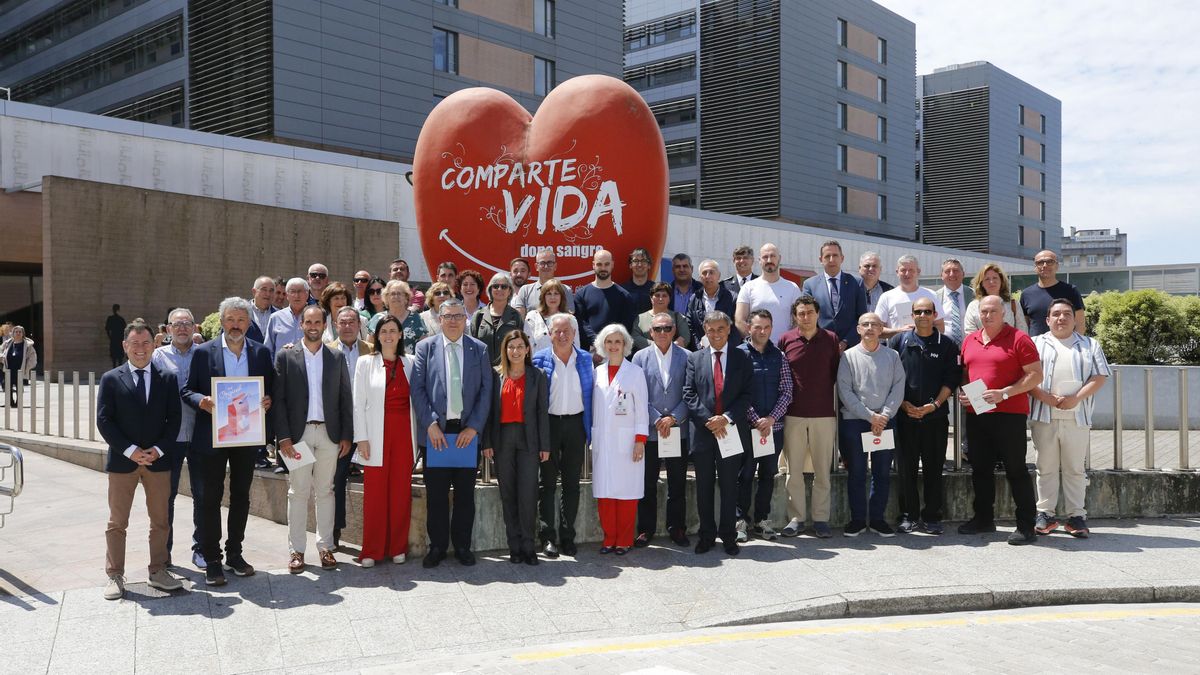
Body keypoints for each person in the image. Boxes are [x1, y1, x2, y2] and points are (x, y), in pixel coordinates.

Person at [182, 298, 274, 585]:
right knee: (210, 499)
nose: (236, 325)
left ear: (249, 323)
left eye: (241, 320)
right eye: (231, 319)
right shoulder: (203, 353)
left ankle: (235, 553)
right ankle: (212, 559)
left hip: (246, 437)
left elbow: (269, 388)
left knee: (241, 497)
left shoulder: (260, 353)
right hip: (212, 436)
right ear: (221, 322)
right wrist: (203, 401)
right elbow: (187, 390)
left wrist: (267, 400)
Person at [97, 319, 184, 600]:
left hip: (158, 462)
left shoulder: (168, 378)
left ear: (154, 344)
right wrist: (130, 450)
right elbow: (104, 421)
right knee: (117, 522)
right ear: (125, 346)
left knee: (160, 520)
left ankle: (158, 571)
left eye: (146, 342)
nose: (140, 348)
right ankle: (114, 575)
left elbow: (175, 421)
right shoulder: (111, 379)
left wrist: (157, 450)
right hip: (123, 463)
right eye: (134, 343)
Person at [272, 305, 354, 572]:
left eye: (318, 321)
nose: (313, 325)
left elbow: (345, 398)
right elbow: (280, 401)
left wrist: (346, 435)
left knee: (326, 491)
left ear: (324, 324)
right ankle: (296, 551)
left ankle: (325, 547)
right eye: (308, 321)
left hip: (329, 436)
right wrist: (283, 437)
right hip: (298, 435)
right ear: (302, 325)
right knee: (297, 492)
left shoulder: (336, 356)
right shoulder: (286, 357)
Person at [411, 299, 492, 567]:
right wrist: (430, 424)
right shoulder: (425, 348)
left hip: (467, 434)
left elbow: (485, 392)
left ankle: (462, 547)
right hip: (436, 434)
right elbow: (418, 390)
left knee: (465, 496)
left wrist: (474, 426)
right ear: (440, 319)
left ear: (465, 319)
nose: (454, 320)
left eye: (459, 315)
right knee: (436, 496)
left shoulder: (478, 349)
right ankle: (437, 547)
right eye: (448, 316)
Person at [956, 295, 1043, 545]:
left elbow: (1035, 376)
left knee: (1016, 470)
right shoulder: (970, 340)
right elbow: (966, 374)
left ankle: (1026, 526)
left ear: (1003, 312)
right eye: (984, 311)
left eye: (993, 311)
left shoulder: (1019, 338)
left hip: (1010, 415)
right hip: (977, 414)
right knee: (980, 470)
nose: (988, 315)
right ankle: (983, 518)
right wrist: (967, 394)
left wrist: (1003, 393)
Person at [1029, 299, 1110, 538]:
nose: (1061, 318)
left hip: (1077, 416)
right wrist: (1045, 396)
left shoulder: (1089, 345)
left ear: (1075, 320)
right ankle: (1045, 514)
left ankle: (1076, 517)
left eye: (1066, 314)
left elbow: (1099, 376)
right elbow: (1027, 376)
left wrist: (1076, 398)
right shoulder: (1035, 343)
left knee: (1075, 468)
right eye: (1056, 314)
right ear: (1047, 320)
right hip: (1044, 414)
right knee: (1046, 467)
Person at [888, 297, 960, 535]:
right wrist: (903, 404)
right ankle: (908, 515)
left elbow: (951, 380)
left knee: (933, 469)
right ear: (912, 315)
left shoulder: (947, 344)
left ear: (934, 314)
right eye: (918, 312)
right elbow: (890, 378)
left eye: (927, 311)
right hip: (904, 416)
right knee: (905, 469)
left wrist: (934, 405)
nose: (922, 315)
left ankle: (931, 517)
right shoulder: (899, 341)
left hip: (935, 418)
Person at [684, 311, 752, 556]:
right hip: (703, 434)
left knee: (729, 486)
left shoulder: (742, 358)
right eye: (710, 330)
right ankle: (706, 535)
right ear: (705, 330)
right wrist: (708, 419)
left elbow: (747, 394)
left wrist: (725, 418)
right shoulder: (695, 358)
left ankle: (728, 536)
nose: (715, 334)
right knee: (703, 487)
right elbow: (689, 393)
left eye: (720, 329)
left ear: (729, 329)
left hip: (731, 431)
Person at [352, 314, 416, 567]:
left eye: (393, 330)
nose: (389, 335)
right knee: (376, 494)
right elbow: (358, 404)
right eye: (384, 331)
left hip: (404, 433)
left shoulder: (410, 362)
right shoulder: (365, 363)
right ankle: (372, 550)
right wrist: (362, 439)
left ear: (400, 335)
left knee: (400, 492)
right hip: (375, 434)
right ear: (377, 336)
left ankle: (397, 547)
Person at [482, 330, 550, 564]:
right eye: (511, 347)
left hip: (528, 439)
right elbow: (489, 411)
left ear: (528, 349)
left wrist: (545, 444)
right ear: (505, 350)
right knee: (508, 494)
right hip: (502, 440)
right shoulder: (495, 375)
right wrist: (487, 442)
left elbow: (542, 412)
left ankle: (529, 546)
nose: (516, 351)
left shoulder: (537, 375)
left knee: (528, 494)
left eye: (520, 346)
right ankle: (515, 546)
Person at [837, 312, 905, 537]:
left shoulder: (893, 356)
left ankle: (877, 519)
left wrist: (883, 416)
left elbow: (898, 388)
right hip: (856, 422)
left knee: (882, 472)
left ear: (881, 328)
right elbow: (845, 391)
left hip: (884, 421)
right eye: (865, 324)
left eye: (874, 325)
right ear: (858, 329)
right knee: (856, 472)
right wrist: (870, 416)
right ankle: (857, 519)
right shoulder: (847, 357)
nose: (869, 328)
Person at [531, 313, 594, 559]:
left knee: (571, 484)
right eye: (557, 331)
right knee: (546, 484)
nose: (562, 335)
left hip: (576, 425)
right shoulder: (539, 359)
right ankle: (548, 538)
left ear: (574, 333)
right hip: (549, 426)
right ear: (549, 335)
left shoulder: (585, 360)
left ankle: (568, 536)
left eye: (567, 330)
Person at [778, 296, 840, 539]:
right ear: (795, 316)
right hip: (793, 414)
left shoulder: (831, 339)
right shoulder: (786, 339)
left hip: (824, 415)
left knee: (822, 471)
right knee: (794, 470)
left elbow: (836, 374)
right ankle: (796, 518)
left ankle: (821, 519)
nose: (805, 317)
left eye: (809, 312)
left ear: (817, 314)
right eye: (801, 313)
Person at [632, 312, 691, 547]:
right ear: (651, 332)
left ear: (674, 330)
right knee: (647, 483)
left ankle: (676, 527)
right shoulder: (639, 357)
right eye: (658, 329)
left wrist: (674, 417)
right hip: (650, 430)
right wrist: (657, 418)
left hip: (678, 430)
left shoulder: (687, 356)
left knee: (677, 484)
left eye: (667, 328)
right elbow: (637, 394)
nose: (663, 333)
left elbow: (691, 392)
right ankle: (645, 529)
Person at [150, 309, 203, 568]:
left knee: (202, 494)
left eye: (187, 324)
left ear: (195, 327)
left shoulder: (204, 354)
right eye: (177, 324)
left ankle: (201, 548)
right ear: (168, 329)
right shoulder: (157, 357)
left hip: (200, 433)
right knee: (166, 496)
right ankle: (164, 554)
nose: (182, 328)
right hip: (169, 437)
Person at [591, 324, 649, 554]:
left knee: (626, 492)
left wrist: (640, 439)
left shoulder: (635, 372)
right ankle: (609, 539)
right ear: (602, 345)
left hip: (628, 442)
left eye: (618, 342)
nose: (613, 346)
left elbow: (642, 408)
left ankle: (624, 540)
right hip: (603, 441)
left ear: (625, 345)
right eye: (609, 342)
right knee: (605, 492)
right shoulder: (597, 372)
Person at [735, 310, 792, 542]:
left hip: (773, 430)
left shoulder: (779, 355)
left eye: (766, 327)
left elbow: (787, 391)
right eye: (757, 327)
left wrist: (770, 419)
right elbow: (736, 392)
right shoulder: (738, 355)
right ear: (749, 328)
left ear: (771, 328)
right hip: (748, 429)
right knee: (744, 475)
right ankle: (740, 521)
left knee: (768, 475)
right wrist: (755, 419)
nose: (762, 331)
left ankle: (762, 521)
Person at [328, 306, 373, 550]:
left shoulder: (372, 351)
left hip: (368, 424)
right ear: (336, 325)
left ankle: (374, 534)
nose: (347, 326)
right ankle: (334, 532)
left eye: (351, 322)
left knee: (374, 479)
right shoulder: (326, 351)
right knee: (335, 479)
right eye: (342, 322)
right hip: (340, 427)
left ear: (359, 325)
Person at [802, 240, 867, 350]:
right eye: (827, 256)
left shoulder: (856, 283)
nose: (831, 260)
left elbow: (861, 318)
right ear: (821, 260)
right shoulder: (810, 285)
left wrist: (846, 342)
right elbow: (807, 317)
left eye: (835, 255)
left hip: (850, 348)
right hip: (819, 346)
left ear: (842, 258)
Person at [735, 243, 803, 343]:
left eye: (773, 256)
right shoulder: (748, 287)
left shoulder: (792, 288)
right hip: (756, 352)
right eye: (765, 257)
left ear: (779, 258)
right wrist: (754, 344)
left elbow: (798, 320)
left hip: (783, 351)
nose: (769, 260)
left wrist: (789, 343)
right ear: (759, 260)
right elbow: (740, 320)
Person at [574, 249, 637, 354]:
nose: (603, 268)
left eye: (606, 264)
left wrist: (609, 345)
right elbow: (581, 324)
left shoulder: (624, 296)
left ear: (612, 265)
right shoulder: (581, 294)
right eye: (599, 264)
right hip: (589, 353)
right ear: (593, 265)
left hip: (615, 352)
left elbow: (626, 326)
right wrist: (598, 343)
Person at [875, 255, 943, 339]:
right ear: (897, 272)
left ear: (918, 272)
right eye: (903, 270)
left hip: (927, 348)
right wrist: (899, 331)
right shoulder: (886, 297)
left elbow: (940, 326)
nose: (907, 274)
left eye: (911, 270)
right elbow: (877, 330)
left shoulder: (931, 295)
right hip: (897, 349)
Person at [1020, 250, 1086, 336]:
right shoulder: (1026, 294)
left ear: (1057, 266)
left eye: (1050, 262)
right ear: (1035, 267)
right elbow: (1023, 327)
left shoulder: (1071, 291)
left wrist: (1073, 347)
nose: (1045, 265)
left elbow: (1080, 325)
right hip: (1036, 347)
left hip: (1066, 347)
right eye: (1040, 262)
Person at [470, 272, 523, 365]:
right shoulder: (479, 316)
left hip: (507, 371)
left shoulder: (516, 316)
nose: (499, 289)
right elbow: (471, 346)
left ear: (510, 291)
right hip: (482, 370)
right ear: (490, 289)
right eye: (496, 286)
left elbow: (521, 346)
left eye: (504, 287)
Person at [687, 260, 740, 350]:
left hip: (727, 351)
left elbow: (737, 327)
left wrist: (726, 348)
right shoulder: (694, 299)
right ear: (700, 277)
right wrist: (699, 348)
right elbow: (691, 327)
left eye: (711, 272)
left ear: (718, 275)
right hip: (702, 351)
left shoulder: (732, 298)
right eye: (704, 273)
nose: (708, 276)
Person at [964, 263, 1028, 334]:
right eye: (987, 279)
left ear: (1001, 281)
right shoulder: (973, 306)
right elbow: (970, 333)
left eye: (995, 278)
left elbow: (1022, 331)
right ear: (981, 283)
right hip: (983, 344)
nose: (991, 282)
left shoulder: (1013, 304)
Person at [513, 248, 576, 317]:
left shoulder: (566, 290)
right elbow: (520, 320)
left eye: (550, 263)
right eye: (542, 263)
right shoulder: (525, 290)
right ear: (536, 266)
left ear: (555, 266)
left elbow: (570, 319)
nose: (546, 266)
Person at [523, 279, 579, 354]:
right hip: (538, 364)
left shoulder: (570, 319)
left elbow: (576, 347)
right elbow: (528, 347)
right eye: (549, 294)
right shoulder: (532, 317)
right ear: (543, 297)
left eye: (556, 293)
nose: (553, 297)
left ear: (561, 297)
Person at [371, 280, 428, 354]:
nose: (396, 297)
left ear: (406, 298)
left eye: (399, 294)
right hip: (381, 363)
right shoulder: (378, 318)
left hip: (409, 363)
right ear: (386, 297)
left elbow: (424, 347)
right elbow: (370, 346)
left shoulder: (416, 318)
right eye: (392, 294)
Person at [631, 282, 691, 352]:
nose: (660, 299)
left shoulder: (678, 317)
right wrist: (656, 347)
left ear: (669, 299)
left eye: (664, 296)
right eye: (657, 295)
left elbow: (685, 337)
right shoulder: (640, 318)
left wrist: (668, 349)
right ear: (651, 298)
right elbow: (635, 337)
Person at [264, 277, 309, 357]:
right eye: (292, 292)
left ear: (307, 294)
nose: (296, 295)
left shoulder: (315, 317)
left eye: (300, 291)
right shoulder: (275, 318)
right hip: (281, 368)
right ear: (287, 295)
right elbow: (268, 350)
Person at [935, 259, 974, 346]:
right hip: (944, 349)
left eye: (956, 270)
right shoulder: (934, 298)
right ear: (941, 275)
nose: (952, 274)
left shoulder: (974, 296)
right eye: (947, 271)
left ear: (963, 274)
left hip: (970, 347)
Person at [1, 325, 36, 407]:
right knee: (7, 386)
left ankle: (18, 402)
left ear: (23, 334)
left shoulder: (28, 345)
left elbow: (33, 357)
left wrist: (27, 367)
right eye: (16, 332)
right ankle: (10, 402)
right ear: (13, 333)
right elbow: (0, 350)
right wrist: (2, 357)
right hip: (9, 369)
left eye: (20, 332)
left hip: (20, 369)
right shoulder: (7, 343)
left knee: (19, 387)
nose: (18, 333)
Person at [621, 247, 656, 314]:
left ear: (649, 265)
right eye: (636, 261)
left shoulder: (656, 290)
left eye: (643, 261)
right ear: (630, 265)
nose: (640, 265)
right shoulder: (622, 291)